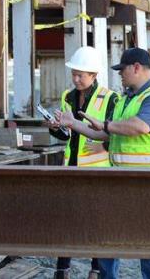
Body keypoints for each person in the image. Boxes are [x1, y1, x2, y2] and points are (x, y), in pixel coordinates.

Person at [56, 47, 150, 279]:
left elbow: (138, 127)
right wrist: (71, 123)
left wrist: (106, 125)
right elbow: (106, 135)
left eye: (122, 70)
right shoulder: (125, 100)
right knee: (107, 241)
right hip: (120, 181)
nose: (120, 74)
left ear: (137, 68)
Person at [45, 46, 119, 279]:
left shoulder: (110, 98)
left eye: (81, 75)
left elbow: (116, 132)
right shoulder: (68, 97)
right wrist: (55, 129)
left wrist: (105, 145)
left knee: (97, 224)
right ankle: (62, 269)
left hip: (98, 172)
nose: (76, 79)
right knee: (67, 221)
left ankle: (96, 270)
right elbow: (67, 136)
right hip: (72, 168)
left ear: (94, 75)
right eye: (74, 74)